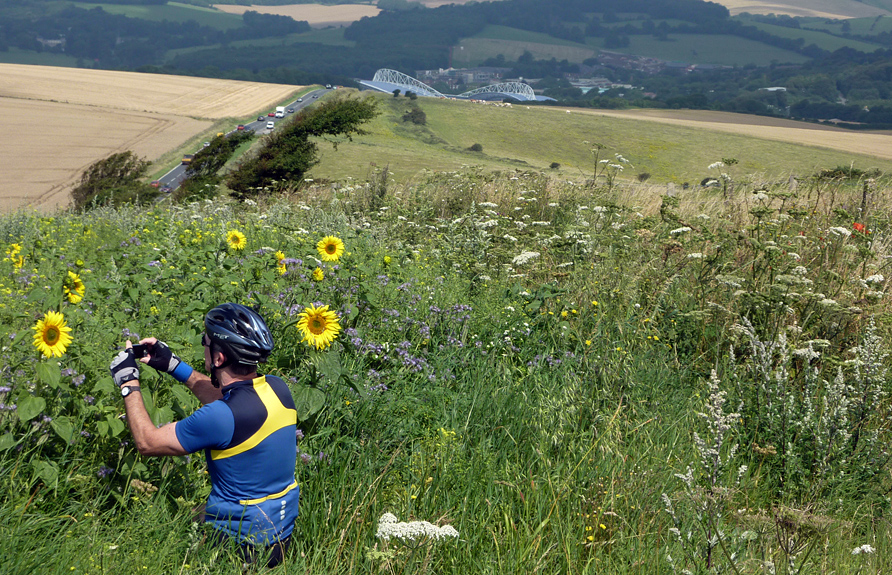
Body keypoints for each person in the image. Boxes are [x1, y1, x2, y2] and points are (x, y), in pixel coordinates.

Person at [109, 303, 299, 568]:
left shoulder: (219, 418)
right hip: (280, 535)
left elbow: (147, 442)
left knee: (172, 534)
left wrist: (128, 383)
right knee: (192, 513)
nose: (203, 346)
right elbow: (229, 400)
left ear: (219, 358)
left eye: (205, 341)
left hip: (238, 548)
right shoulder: (277, 388)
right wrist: (174, 365)